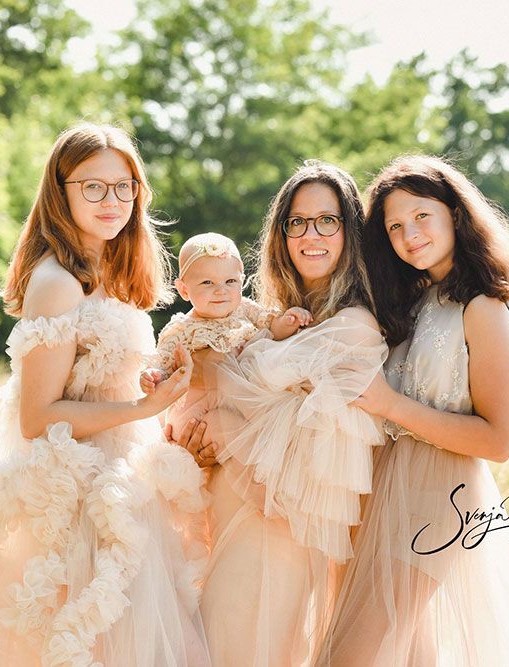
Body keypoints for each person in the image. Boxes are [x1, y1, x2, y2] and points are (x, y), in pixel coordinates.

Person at [0, 123, 210, 667]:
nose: (113, 200)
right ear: (61, 191)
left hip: (122, 478)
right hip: (73, 492)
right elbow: (38, 415)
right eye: (92, 187)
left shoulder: (110, 270)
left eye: (124, 186)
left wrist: (157, 387)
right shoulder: (57, 282)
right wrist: (144, 407)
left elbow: (103, 381)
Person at [320, 154, 509, 666]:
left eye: (421, 216)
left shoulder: (484, 307)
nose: (409, 235)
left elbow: (497, 441)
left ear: (454, 213)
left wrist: (392, 405)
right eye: (394, 227)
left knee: (352, 654)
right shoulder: (415, 300)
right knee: (410, 655)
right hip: (386, 487)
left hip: (442, 497)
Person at [195, 161, 388, 666]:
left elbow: (243, 377)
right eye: (297, 222)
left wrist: (221, 370)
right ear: (281, 234)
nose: (311, 235)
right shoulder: (281, 317)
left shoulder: (353, 326)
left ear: (350, 230)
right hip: (233, 512)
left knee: (242, 648)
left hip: (274, 533)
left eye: (328, 220)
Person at [139, 232, 313, 448]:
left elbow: (272, 328)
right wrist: (153, 376)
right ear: (184, 290)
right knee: (224, 427)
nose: (221, 290)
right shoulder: (181, 330)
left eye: (230, 281)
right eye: (207, 282)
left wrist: (289, 321)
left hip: (245, 402)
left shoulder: (245, 309)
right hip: (199, 410)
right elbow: (162, 363)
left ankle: (272, 442)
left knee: (268, 411)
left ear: (241, 281)